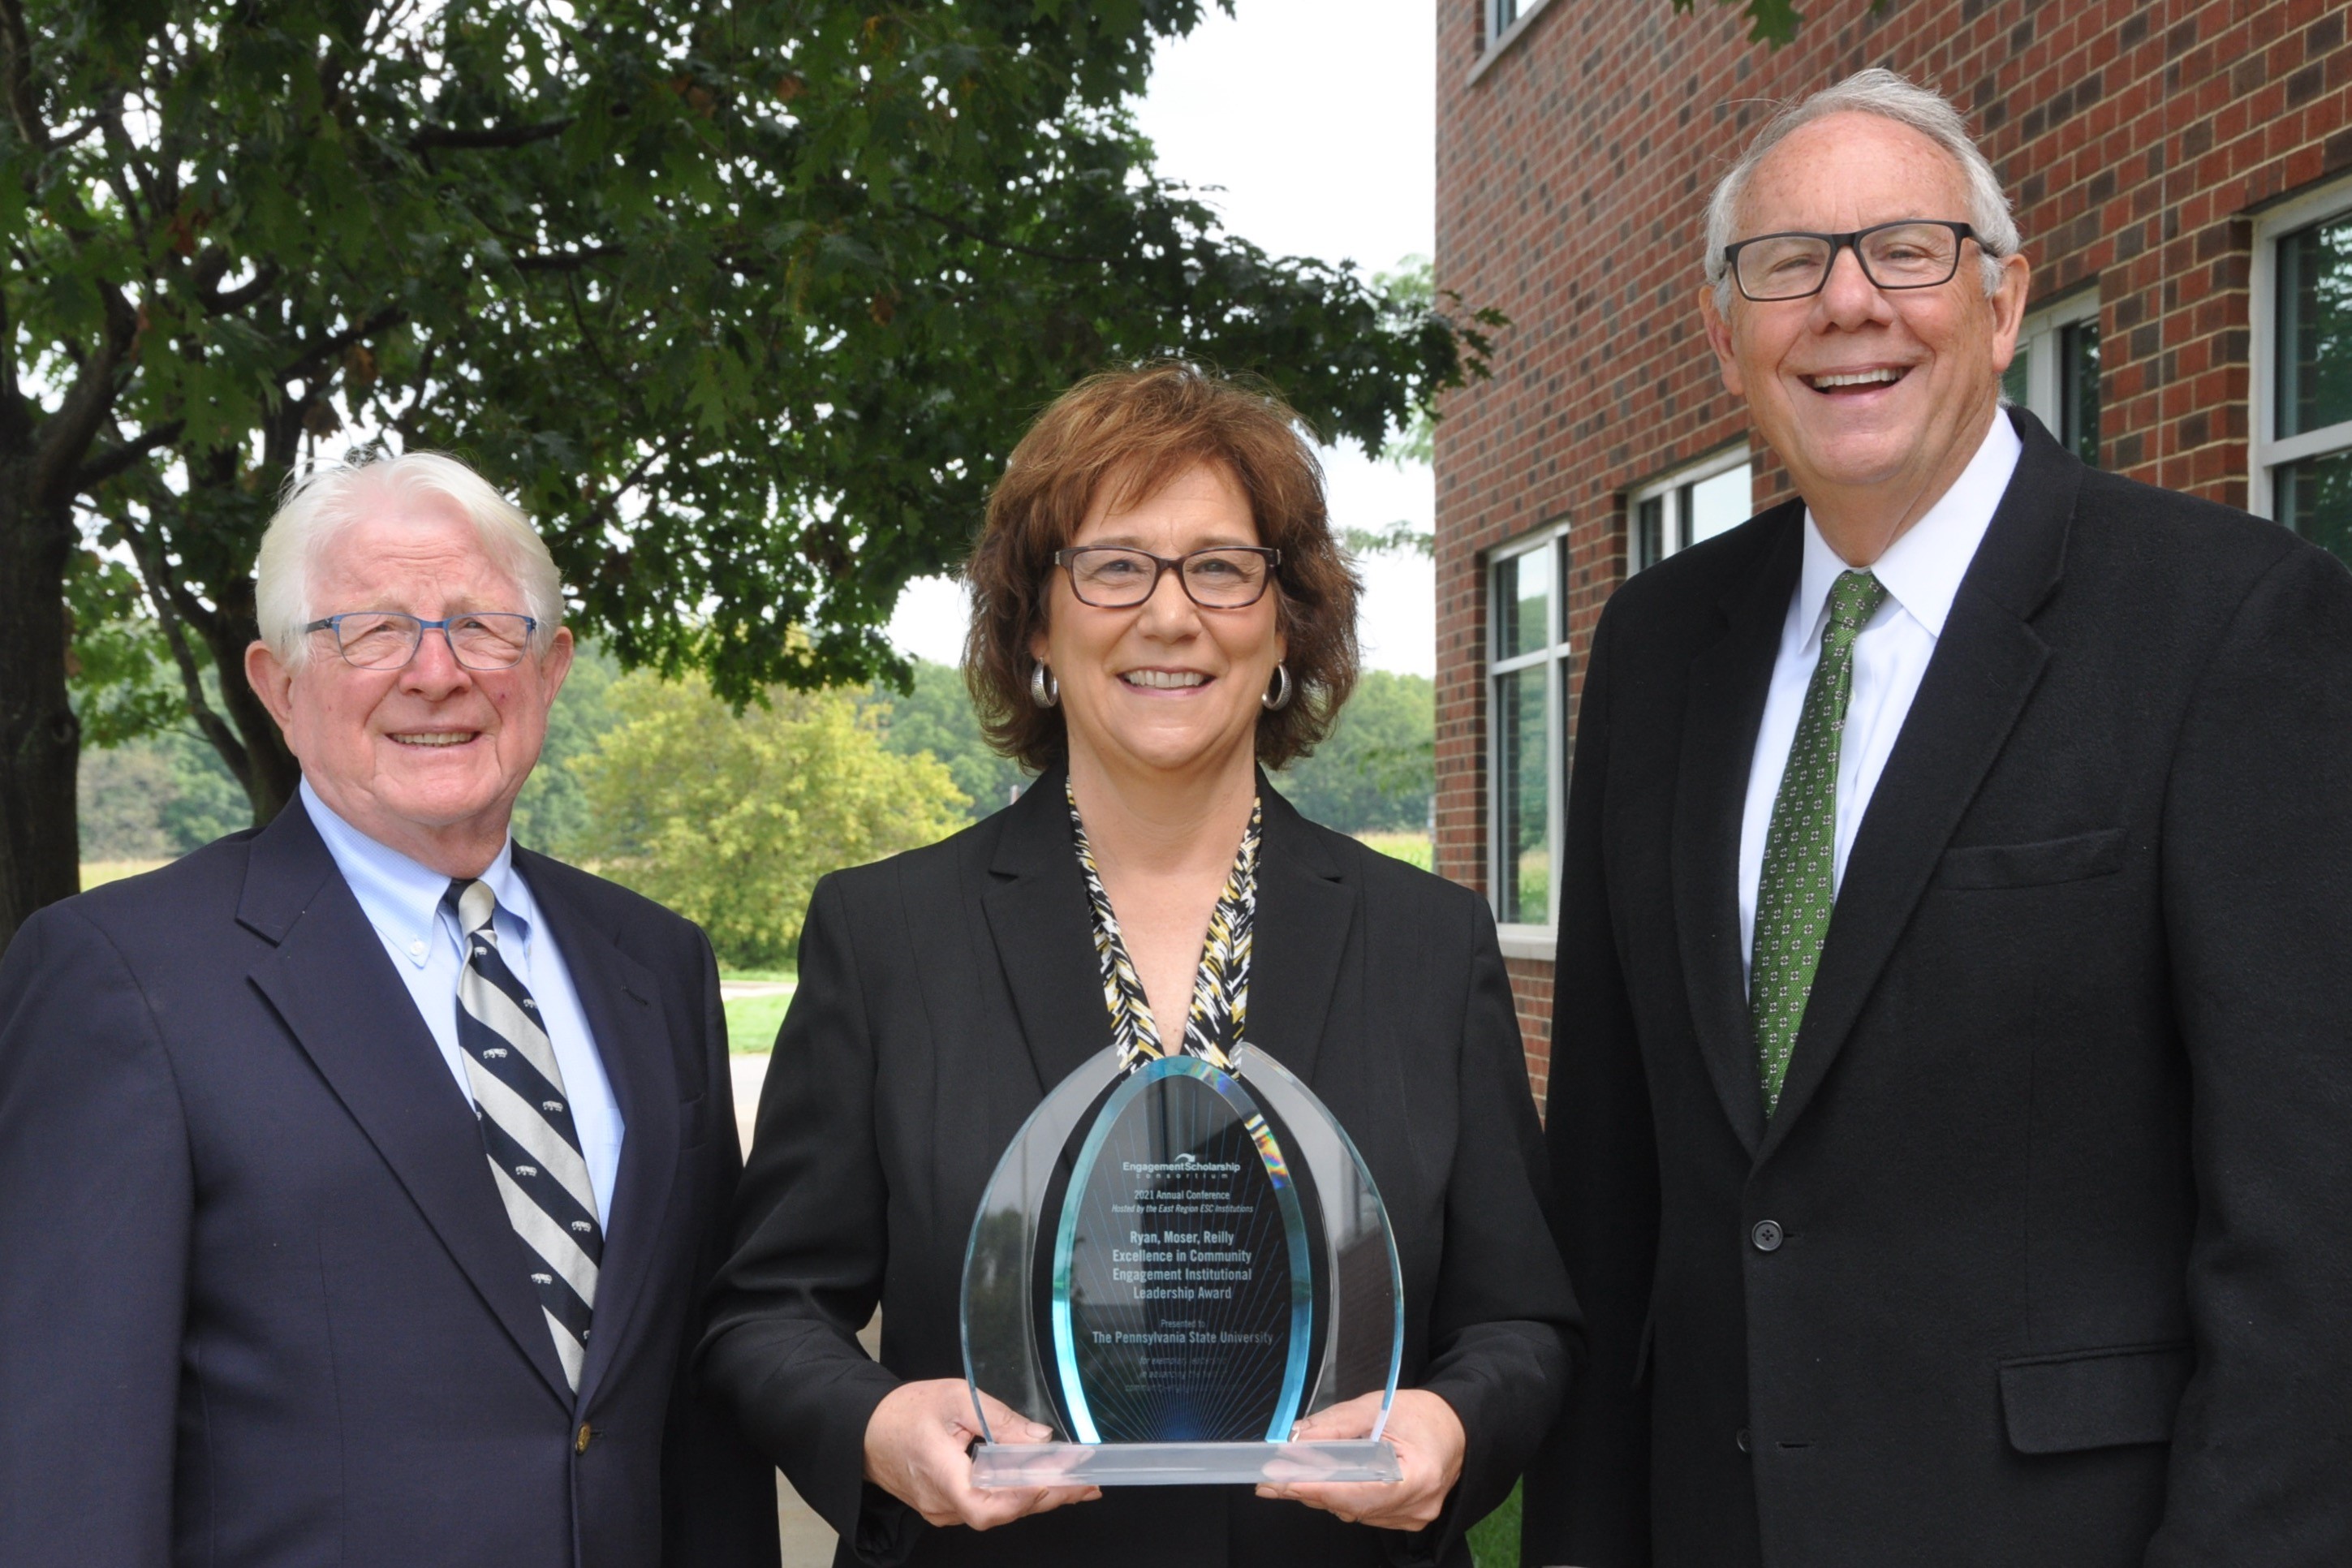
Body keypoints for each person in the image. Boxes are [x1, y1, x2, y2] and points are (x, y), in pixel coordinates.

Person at [1522, 67, 2352, 1568]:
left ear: (2000, 297)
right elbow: (1605, 1173)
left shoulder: (2224, 625)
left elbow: (2312, 1223)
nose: (1848, 305)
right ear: (1724, 333)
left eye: (1906, 249)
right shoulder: (1652, 647)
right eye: (1785, 264)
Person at [702, 363, 1576, 1567]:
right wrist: (873, 1423)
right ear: (1036, 625)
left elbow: (1521, 1316)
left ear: (1285, 624)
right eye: (1115, 566)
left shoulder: (1426, 940)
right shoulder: (888, 935)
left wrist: (1452, 1424)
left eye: (1221, 567)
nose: (1170, 616)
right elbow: (766, 1311)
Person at [0, 454, 778, 1567]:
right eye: (368, 632)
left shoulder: (653, 963)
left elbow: (695, 1417)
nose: (434, 673)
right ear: (276, 687)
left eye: (479, 626)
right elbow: (68, 1469)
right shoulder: (117, 976)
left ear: (549, 668)